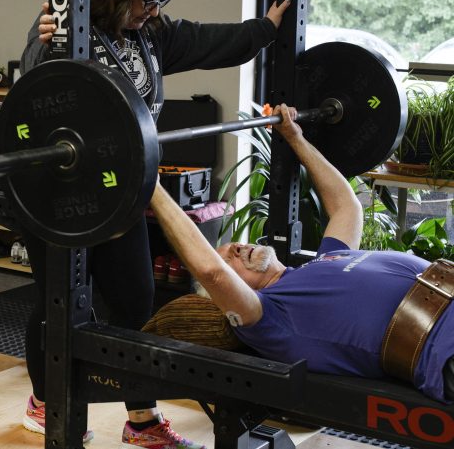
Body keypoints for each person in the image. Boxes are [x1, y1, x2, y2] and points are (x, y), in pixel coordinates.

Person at [19, 0, 290, 447]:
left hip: (120, 193)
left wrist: (264, 28)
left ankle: (140, 420)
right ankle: (47, 400)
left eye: (163, 0)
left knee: (136, 300)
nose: (155, 11)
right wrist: (43, 45)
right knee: (56, 301)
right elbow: (35, 88)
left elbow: (210, 41)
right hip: (58, 194)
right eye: (148, 0)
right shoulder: (61, 26)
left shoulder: (152, 34)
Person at [149, 103, 454, 404]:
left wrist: (294, 137)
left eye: (235, 244)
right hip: (442, 347)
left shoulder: (327, 258)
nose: (238, 246)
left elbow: (346, 206)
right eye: (229, 257)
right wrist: (153, 186)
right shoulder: (268, 317)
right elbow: (211, 272)